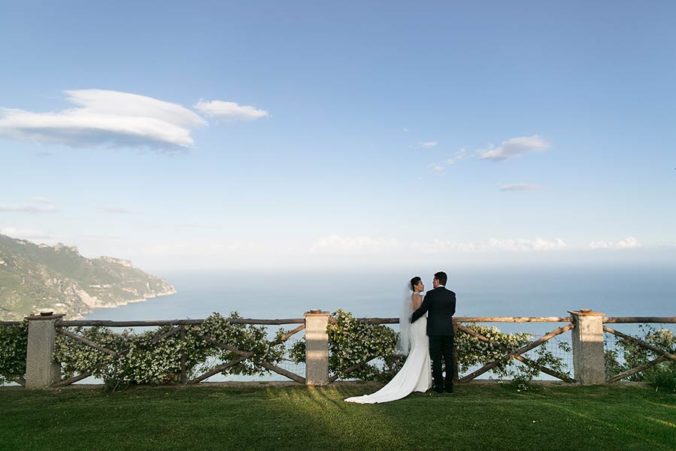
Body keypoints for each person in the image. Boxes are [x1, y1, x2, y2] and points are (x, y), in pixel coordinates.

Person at [344, 276, 432, 404]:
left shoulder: (413, 296)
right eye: (421, 283)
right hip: (419, 325)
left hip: (417, 326)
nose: (423, 285)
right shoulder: (417, 296)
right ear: (415, 286)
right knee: (420, 351)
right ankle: (416, 383)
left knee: (420, 351)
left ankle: (420, 383)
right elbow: (417, 311)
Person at [411, 271, 456, 393]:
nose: (432, 282)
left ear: (437, 281)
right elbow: (452, 312)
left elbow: (422, 310)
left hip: (435, 331)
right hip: (448, 330)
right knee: (448, 359)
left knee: (436, 359)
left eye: (433, 280)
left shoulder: (431, 294)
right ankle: (449, 386)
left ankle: (439, 386)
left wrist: (411, 319)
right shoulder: (452, 295)